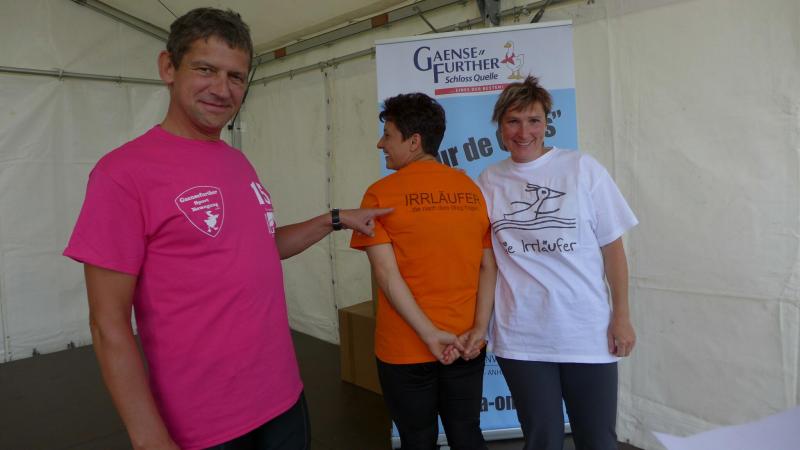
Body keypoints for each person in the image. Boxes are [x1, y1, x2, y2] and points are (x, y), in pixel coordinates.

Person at [63, 8, 390, 450]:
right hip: (204, 423)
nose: (222, 89)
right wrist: (149, 438)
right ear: (168, 67)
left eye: (236, 76)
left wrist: (334, 219)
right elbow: (108, 324)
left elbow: (259, 247)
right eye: (205, 69)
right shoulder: (122, 174)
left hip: (283, 397)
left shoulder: (236, 160)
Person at [477, 76, 638, 450]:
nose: (524, 132)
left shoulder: (582, 168)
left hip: (586, 330)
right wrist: (479, 327)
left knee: (598, 440)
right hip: (521, 335)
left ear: (547, 123)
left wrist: (622, 316)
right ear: (500, 127)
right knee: (542, 439)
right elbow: (487, 263)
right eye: (513, 121)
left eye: (533, 120)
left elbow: (613, 251)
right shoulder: (489, 181)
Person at [350, 93, 497, 450]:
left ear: (414, 141)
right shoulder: (471, 190)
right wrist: (479, 330)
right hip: (465, 343)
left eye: (388, 135)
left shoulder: (379, 195)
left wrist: (430, 334)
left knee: (417, 440)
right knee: (467, 434)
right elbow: (488, 266)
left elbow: (387, 276)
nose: (380, 144)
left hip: (405, 349)